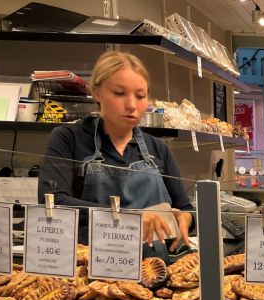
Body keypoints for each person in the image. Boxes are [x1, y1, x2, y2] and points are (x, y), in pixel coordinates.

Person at [39, 50, 193, 257]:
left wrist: (185, 218)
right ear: (96, 92)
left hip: (153, 265)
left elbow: (185, 207)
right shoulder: (69, 138)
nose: (131, 105)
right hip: (92, 264)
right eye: (119, 93)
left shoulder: (158, 148)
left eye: (140, 96)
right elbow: (52, 201)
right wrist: (130, 217)